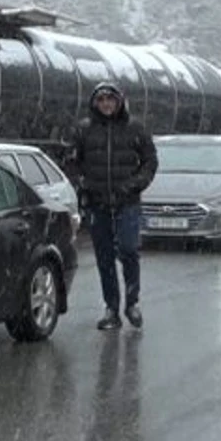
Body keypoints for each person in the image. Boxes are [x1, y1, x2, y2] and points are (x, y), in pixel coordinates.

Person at [65, 82, 159, 331]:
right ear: (95, 103)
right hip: (98, 204)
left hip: (127, 202)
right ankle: (111, 309)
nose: (106, 104)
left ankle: (132, 303)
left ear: (119, 102)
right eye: (102, 100)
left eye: (111, 99)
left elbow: (150, 161)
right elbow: (72, 163)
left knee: (129, 250)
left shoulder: (134, 129)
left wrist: (134, 184)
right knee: (104, 257)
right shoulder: (84, 131)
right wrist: (83, 184)